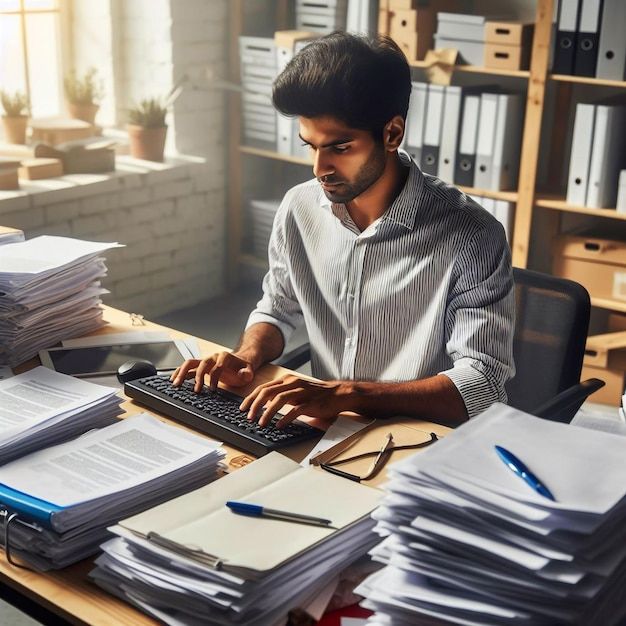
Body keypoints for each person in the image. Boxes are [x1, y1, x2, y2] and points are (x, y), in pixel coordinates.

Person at [172, 32, 514, 428]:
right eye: (310, 146)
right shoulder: (299, 208)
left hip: (415, 442)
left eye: (339, 147)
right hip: (320, 428)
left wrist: (347, 395)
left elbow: (483, 384)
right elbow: (278, 307)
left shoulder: (472, 235)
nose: (319, 169)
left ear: (392, 134)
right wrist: (248, 354)